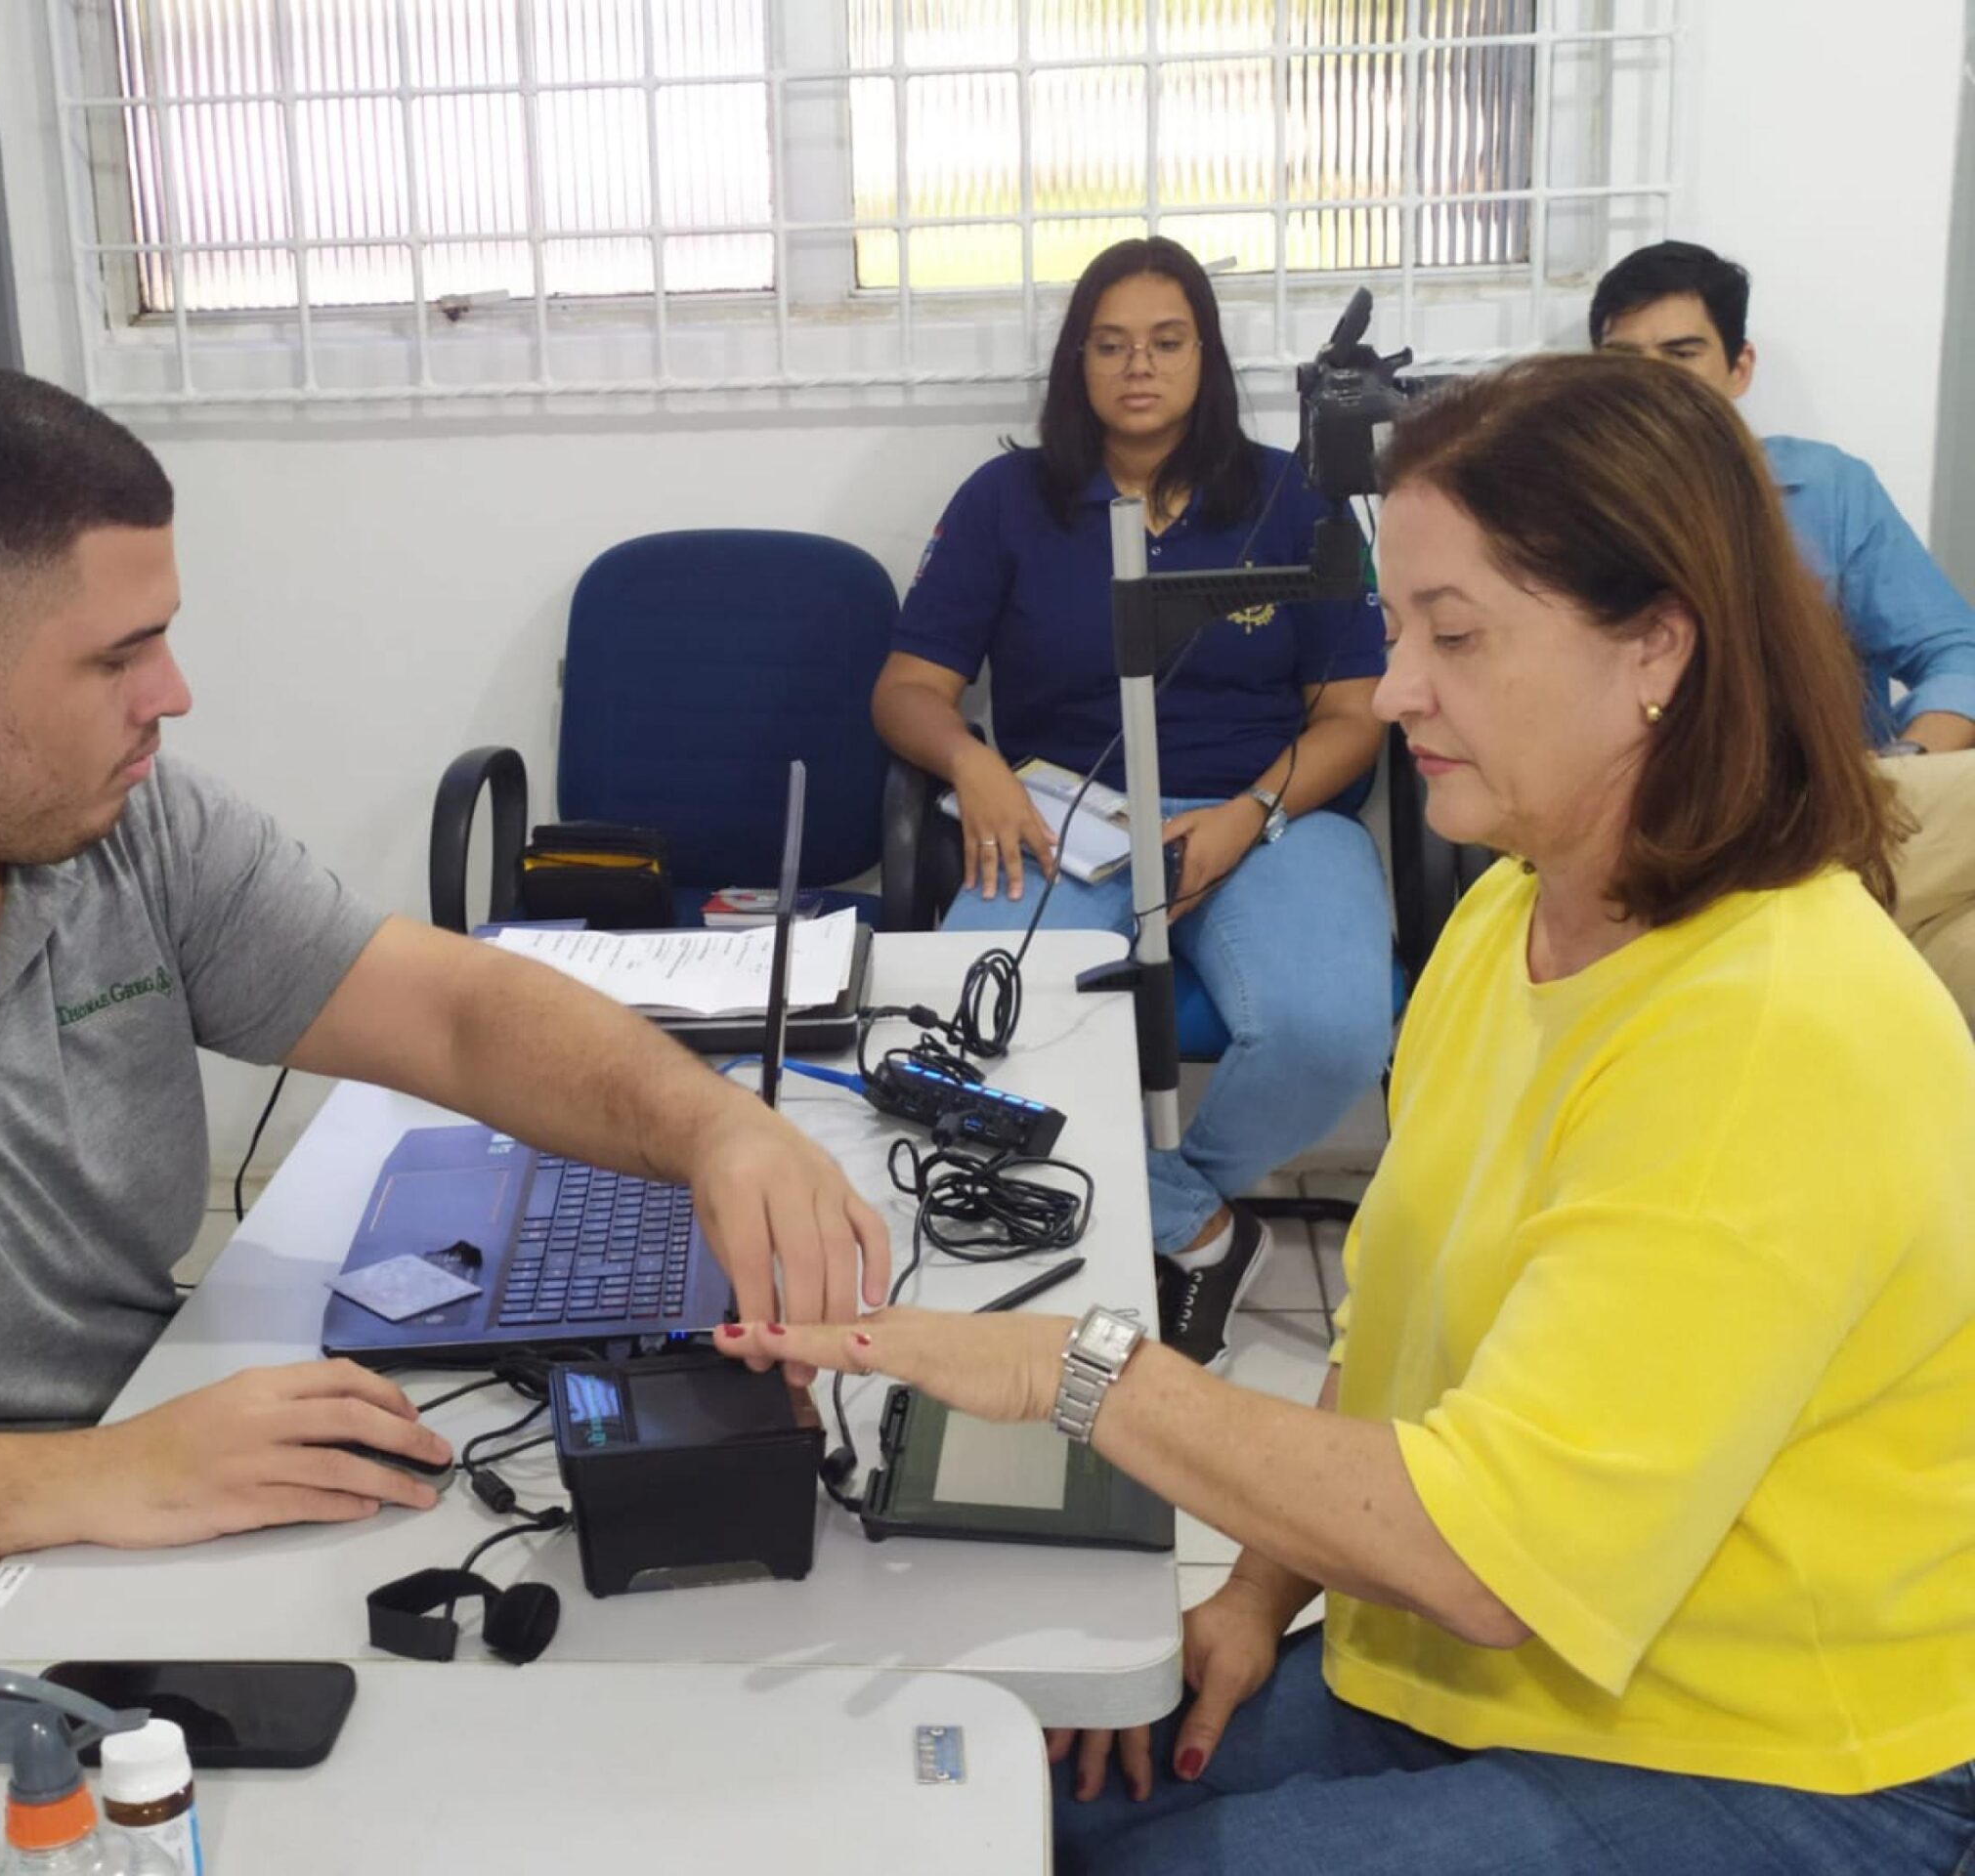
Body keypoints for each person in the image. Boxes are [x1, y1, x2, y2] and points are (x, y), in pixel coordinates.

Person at [0, 367, 889, 1824]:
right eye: (119, 656)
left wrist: (716, 1126)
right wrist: (80, 1482)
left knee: (606, 1714)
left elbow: (457, 1009)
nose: (173, 696)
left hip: (116, 1510)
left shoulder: (120, 829)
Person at [739, 353, 1975, 1873]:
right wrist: (1255, 1595)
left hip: (1771, 1754)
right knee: (1003, 1798)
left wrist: (1079, 1370)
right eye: (1396, 630)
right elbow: (1391, 1338)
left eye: (1454, 637)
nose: (1394, 694)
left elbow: (1484, 1549)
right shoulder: (1514, 916)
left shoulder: (1770, 1029)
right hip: (1501, 1658)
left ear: (1658, 645)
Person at [871, 236, 1395, 1370]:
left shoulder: (1292, 495)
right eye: (1109, 345)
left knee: (1333, 1024)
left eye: (1165, 341)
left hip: (1267, 812)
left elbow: (1354, 713)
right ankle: (1201, 1235)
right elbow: (908, 690)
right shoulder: (1008, 499)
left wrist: (1246, 815)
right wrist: (973, 765)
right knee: (963, 1052)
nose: (1138, 367)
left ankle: (1160, 1212)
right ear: (1076, 364)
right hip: (1066, 817)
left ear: (1206, 355)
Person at [1593, 237, 1975, 1022]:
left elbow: (1953, 652)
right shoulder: (1565, 523)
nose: (1651, 383)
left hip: (1858, 811)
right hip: (1681, 830)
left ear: (1739, 368)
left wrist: (1902, 766)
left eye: (1682, 352)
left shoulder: (1826, 491)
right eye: (1624, 359)